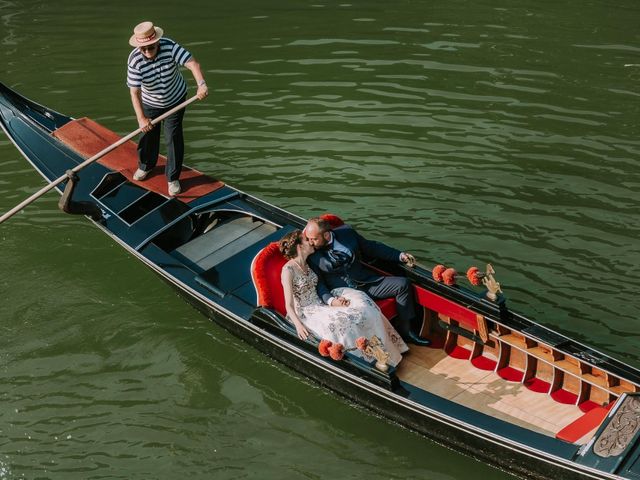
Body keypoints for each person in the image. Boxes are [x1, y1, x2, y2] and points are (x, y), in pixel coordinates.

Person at [279, 230, 408, 366]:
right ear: (300, 247)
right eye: (306, 240)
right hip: (305, 312)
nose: (310, 242)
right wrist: (298, 326)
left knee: (355, 314)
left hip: (320, 305)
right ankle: (364, 363)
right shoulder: (288, 270)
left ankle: (381, 356)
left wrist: (332, 301)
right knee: (342, 324)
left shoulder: (308, 264)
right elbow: (288, 304)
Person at [305, 217, 430, 347]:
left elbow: (371, 247)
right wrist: (331, 301)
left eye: (314, 239)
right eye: (308, 238)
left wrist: (399, 256)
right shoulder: (312, 253)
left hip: (366, 282)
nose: (310, 242)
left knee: (403, 285)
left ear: (326, 234)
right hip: (343, 294)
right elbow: (319, 283)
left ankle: (407, 331)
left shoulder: (347, 233)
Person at [126, 21, 208, 197]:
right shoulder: (134, 60)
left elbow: (193, 64)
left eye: (151, 47)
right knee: (148, 134)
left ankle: (172, 178)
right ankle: (146, 166)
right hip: (150, 103)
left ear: (157, 42)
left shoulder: (170, 46)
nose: (147, 52)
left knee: (173, 136)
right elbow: (135, 92)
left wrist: (201, 84)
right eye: (144, 49)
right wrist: (141, 118)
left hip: (176, 99)